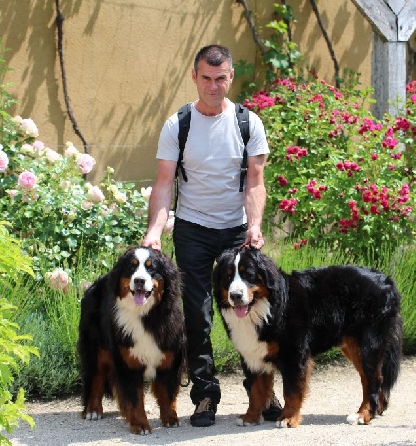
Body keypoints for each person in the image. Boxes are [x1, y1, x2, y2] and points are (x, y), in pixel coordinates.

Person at [141, 44, 281, 427]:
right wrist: (155, 229)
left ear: (231, 77)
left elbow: (255, 181)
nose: (214, 86)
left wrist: (253, 226)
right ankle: (205, 397)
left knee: (250, 314)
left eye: (221, 79)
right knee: (198, 316)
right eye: (206, 78)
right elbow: (165, 182)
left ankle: (262, 393)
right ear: (194, 76)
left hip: (236, 230)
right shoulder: (178, 124)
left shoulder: (248, 123)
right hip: (193, 230)